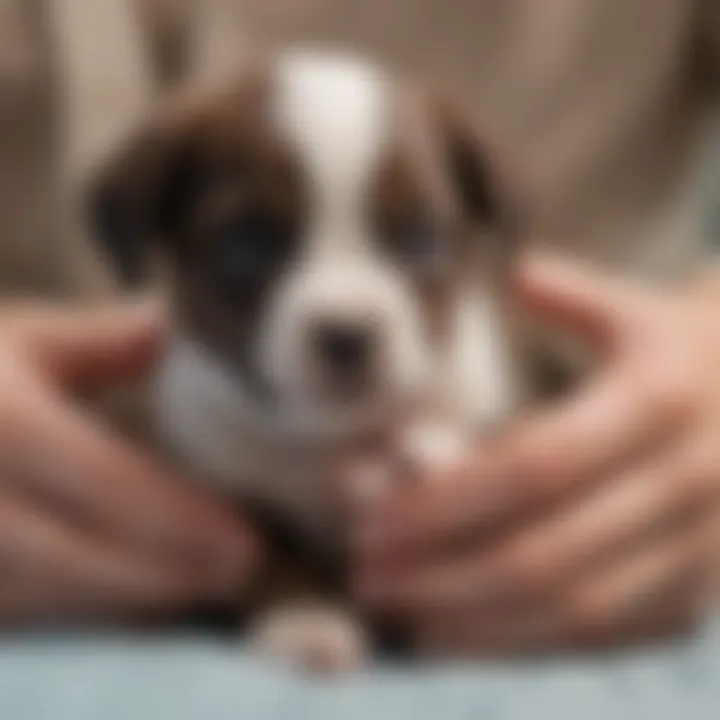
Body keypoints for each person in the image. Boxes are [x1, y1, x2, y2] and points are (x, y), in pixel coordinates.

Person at [0, 0, 718, 656]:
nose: (343, 312)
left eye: (413, 245)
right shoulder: (192, 414)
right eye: (253, 247)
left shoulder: (486, 372)